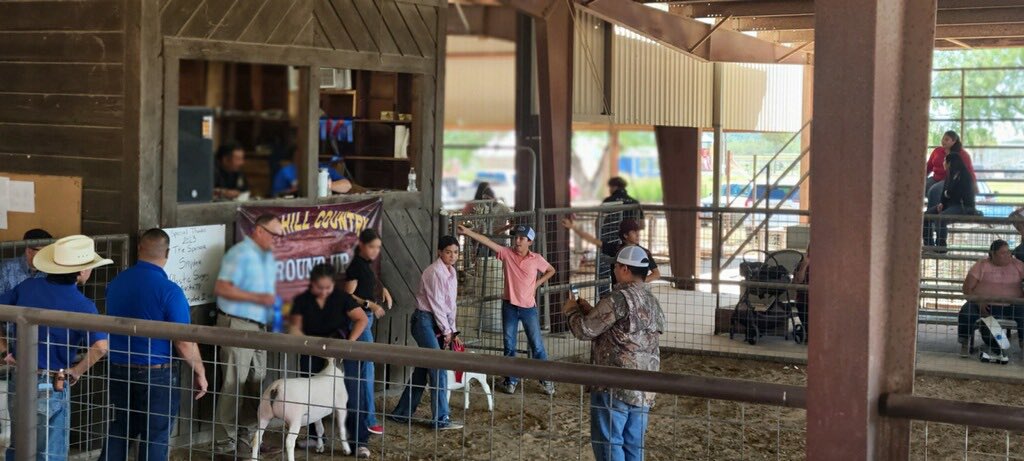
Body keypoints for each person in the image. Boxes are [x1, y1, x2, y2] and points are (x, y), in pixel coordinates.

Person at [0, 235, 112, 461]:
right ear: (81, 272)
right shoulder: (83, 305)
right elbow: (100, 347)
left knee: (19, 446)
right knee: (50, 452)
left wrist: (4, 351)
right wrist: (76, 371)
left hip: (19, 377)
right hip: (52, 381)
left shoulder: (27, 287)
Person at [101, 229, 209, 461]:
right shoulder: (170, 291)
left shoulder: (117, 283)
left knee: (122, 427)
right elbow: (183, 340)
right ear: (167, 253)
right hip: (156, 373)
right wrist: (200, 371)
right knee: (156, 435)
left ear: (140, 248)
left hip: (119, 366)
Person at [563, 246, 664, 461]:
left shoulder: (618, 299)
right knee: (634, 444)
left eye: (616, 266)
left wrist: (571, 309)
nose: (615, 270)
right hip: (645, 385)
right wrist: (592, 310)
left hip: (614, 382)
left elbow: (584, 330)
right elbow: (622, 329)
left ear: (625, 269)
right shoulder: (652, 301)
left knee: (609, 443)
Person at [457, 223, 557, 395]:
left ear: (530, 242)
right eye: (516, 237)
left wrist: (537, 284)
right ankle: (511, 381)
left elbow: (551, 270)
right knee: (509, 345)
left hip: (528, 308)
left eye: (521, 238)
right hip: (509, 306)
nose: (517, 241)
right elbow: (487, 241)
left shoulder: (536, 259)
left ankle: (546, 380)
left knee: (537, 345)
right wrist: (467, 232)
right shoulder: (507, 253)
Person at [212, 214, 283, 454]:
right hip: (238, 323)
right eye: (275, 234)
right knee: (234, 383)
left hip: (258, 326)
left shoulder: (266, 257)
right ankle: (225, 443)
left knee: (256, 382)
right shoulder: (240, 254)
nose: (278, 239)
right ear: (259, 230)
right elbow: (222, 288)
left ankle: (251, 436)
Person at [288, 263, 372, 456]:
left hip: (340, 352)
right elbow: (294, 327)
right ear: (312, 284)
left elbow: (362, 319)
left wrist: (348, 343)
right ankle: (315, 436)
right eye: (319, 287)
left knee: (351, 392)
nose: (324, 291)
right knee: (309, 393)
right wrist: (304, 342)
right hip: (312, 350)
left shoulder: (343, 298)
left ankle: (358, 441)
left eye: (328, 287)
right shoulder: (302, 300)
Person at [389, 236, 464, 430]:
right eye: (448, 252)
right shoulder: (433, 272)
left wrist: (452, 330)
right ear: (439, 252)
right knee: (438, 366)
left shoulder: (452, 272)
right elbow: (437, 304)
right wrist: (447, 330)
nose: (452, 256)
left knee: (423, 369)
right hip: (424, 320)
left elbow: (451, 305)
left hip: (436, 322)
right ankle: (441, 419)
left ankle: (401, 413)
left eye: (456, 252)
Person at [343, 229, 392, 437]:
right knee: (364, 371)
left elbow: (366, 283)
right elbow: (347, 295)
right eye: (372, 246)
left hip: (364, 320)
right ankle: (367, 419)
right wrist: (369, 304)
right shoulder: (355, 266)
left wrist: (382, 289)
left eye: (378, 247)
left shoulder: (364, 265)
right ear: (361, 245)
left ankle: (360, 419)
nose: (375, 251)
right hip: (358, 321)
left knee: (362, 370)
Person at [957, 239, 1024, 362]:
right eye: (1003, 253)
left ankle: (1023, 346)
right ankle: (965, 343)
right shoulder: (981, 265)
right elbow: (967, 289)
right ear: (992, 254)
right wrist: (978, 301)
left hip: (1012, 305)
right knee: (967, 311)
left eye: (1008, 251)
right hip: (984, 304)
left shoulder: (1018, 265)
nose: (1008, 255)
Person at [561, 217, 660, 284]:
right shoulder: (616, 249)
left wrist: (637, 281)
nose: (638, 235)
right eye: (634, 232)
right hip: (618, 292)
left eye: (638, 232)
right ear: (625, 235)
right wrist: (573, 227)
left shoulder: (644, 253)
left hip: (636, 291)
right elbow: (592, 240)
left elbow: (656, 274)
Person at [923, 152, 977, 250]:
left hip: (963, 206)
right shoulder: (949, 175)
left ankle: (941, 247)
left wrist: (948, 194)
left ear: (950, 163)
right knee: (925, 216)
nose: (943, 163)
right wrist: (941, 203)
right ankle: (929, 245)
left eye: (945, 161)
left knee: (941, 218)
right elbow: (945, 191)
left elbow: (960, 194)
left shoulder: (965, 176)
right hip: (950, 204)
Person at [925, 130, 977, 210]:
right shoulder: (937, 151)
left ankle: (932, 217)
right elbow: (928, 166)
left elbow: (969, 170)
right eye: (943, 139)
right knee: (922, 187)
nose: (943, 141)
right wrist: (922, 178)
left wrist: (974, 185)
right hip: (935, 178)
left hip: (948, 180)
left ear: (954, 141)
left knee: (933, 191)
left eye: (946, 139)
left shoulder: (962, 154)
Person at [0, 228, 52, 295]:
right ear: (28, 251)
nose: (47, 255)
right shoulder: (6, 269)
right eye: (43, 251)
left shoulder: (50, 269)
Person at [271, 155, 352, 197]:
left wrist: (324, 185)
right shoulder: (286, 171)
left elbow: (347, 186)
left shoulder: (324, 169)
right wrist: (297, 190)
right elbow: (276, 195)